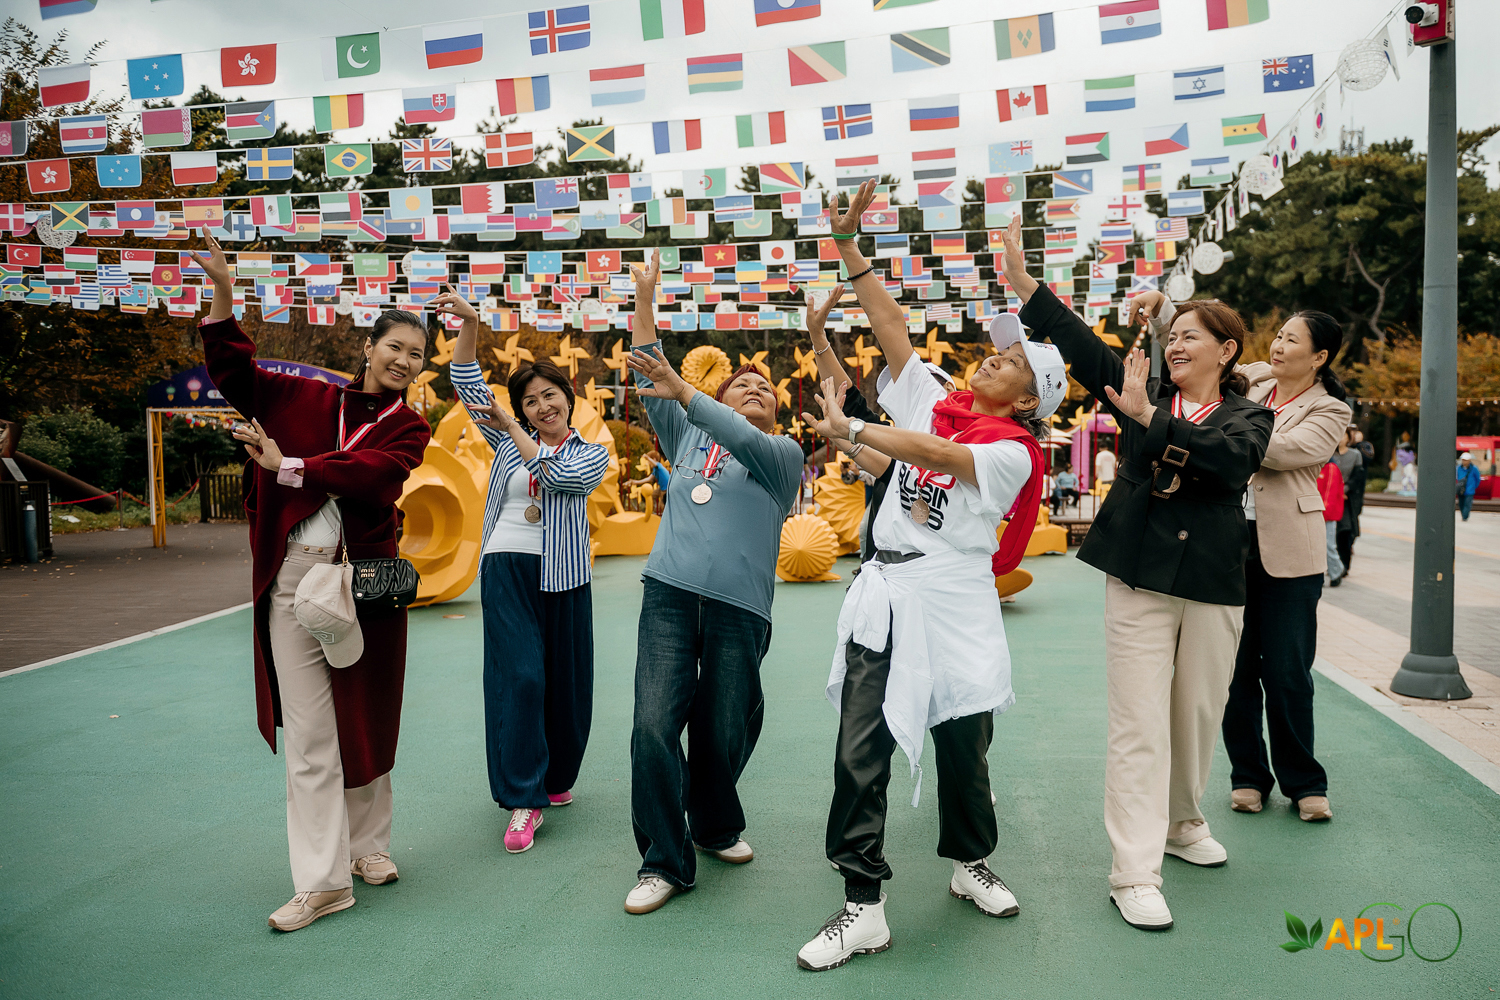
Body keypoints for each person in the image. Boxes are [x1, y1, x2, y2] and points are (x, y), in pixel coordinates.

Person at [792, 181, 1060, 973]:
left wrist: (856, 426)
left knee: (964, 745)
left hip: (956, 604)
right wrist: (848, 246)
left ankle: (970, 862)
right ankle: (862, 906)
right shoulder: (934, 398)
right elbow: (891, 328)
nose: (996, 354)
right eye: (1000, 346)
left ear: (1030, 398)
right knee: (860, 749)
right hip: (887, 597)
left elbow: (939, 457)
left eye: (1014, 359)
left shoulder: (1013, 453)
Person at [1005, 217, 1272, 932]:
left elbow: (1229, 462)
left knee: (1197, 715)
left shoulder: (1249, 415)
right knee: (1139, 722)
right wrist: (1026, 283)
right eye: (1171, 335)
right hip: (1136, 575)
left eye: (1190, 336)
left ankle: (1183, 823)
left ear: (1226, 350)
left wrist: (1150, 419)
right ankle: (1134, 871)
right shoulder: (1136, 389)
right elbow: (1082, 345)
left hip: (1214, 581)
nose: (1175, 344)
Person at [189, 234, 430, 931]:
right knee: (310, 736)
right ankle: (323, 881)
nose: (404, 360)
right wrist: (225, 293)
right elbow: (234, 371)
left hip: (363, 583)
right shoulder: (303, 396)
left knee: (367, 714)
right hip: (292, 584)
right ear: (368, 346)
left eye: (417, 354)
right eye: (395, 346)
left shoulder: (409, 427)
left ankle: (370, 845)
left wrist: (288, 465)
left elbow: (373, 477)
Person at [621, 249, 803, 915]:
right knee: (652, 725)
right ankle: (663, 860)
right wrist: (645, 301)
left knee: (725, 726)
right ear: (717, 399)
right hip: (669, 595)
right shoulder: (687, 437)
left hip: (740, 609)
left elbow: (732, 428)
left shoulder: (780, 456)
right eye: (742, 384)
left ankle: (715, 825)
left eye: (766, 389)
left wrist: (690, 394)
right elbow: (649, 369)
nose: (755, 389)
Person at [1135, 295, 1350, 825]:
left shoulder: (1330, 408)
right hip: (1225, 542)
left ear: (1319, 357)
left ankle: (1305, 783)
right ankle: (1248, 776)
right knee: (1231, 670)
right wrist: (1163, 312)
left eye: (1291, 339)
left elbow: (1283, 451)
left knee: (1288, 672)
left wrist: (1227, 433)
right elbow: (1198, 356)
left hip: (1289, 556)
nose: (1277, 345)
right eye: (1277, 335)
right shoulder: (1250, 377)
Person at [447, 297, 610, 854]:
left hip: (565, 575)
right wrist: (471, 324)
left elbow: (559, 476)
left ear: (567, 397)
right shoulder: (505, 439)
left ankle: (554, 777)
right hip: (506, 565)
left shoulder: (591, 453)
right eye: (529, 402)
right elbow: (466, 381)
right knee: (521, 678)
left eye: (549, 396)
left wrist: (518, 432)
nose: (542, 407)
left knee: (567, 683)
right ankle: (522, 799)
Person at [1333, 425, 1365, 576]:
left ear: (1348, 437)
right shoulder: (1328, 454)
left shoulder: (1355, 455)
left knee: (1345, 531)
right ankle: (1333, 565)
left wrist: (1344, 490)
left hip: (1347, 499)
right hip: (1330, 498)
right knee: (1331, 533)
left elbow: (1358, 477)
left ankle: (1344, 564)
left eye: (1343, 435)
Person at [1318, 461, 1345, 585]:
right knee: (1321, 546)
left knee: (1328, 545)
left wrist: (1324, 512)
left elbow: (1330, 493)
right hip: (1319, 513)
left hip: (1327, 514)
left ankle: (1336, 571)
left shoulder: (1331, 468)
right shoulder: (1319, 466)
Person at [1457, 452, 1481, 521]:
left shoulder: (1474, 469)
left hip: (1469, 489)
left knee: (1467, 504)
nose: (1464, 462)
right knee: (1461, 504)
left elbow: (1477, 479)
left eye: (1466, 460)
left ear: (1469, 460)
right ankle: (1463, 514)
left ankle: (1465, 516)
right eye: (1463, 460)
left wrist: (1474, 487)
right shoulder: (1458, 468)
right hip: (1461, 489)